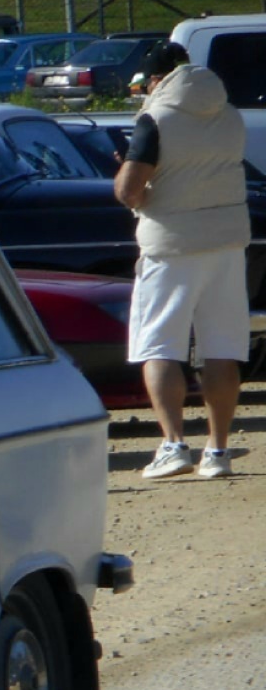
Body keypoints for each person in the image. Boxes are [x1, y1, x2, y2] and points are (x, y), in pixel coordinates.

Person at [114, 42, 250, 480]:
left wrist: (127, 174)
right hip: (227, 242)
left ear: (156, 80)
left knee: (160, 346)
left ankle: (174, 443)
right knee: (222, 349)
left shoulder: (155, 118)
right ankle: (218, 452)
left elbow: (130, 191)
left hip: (171, 243)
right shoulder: (229, 114)